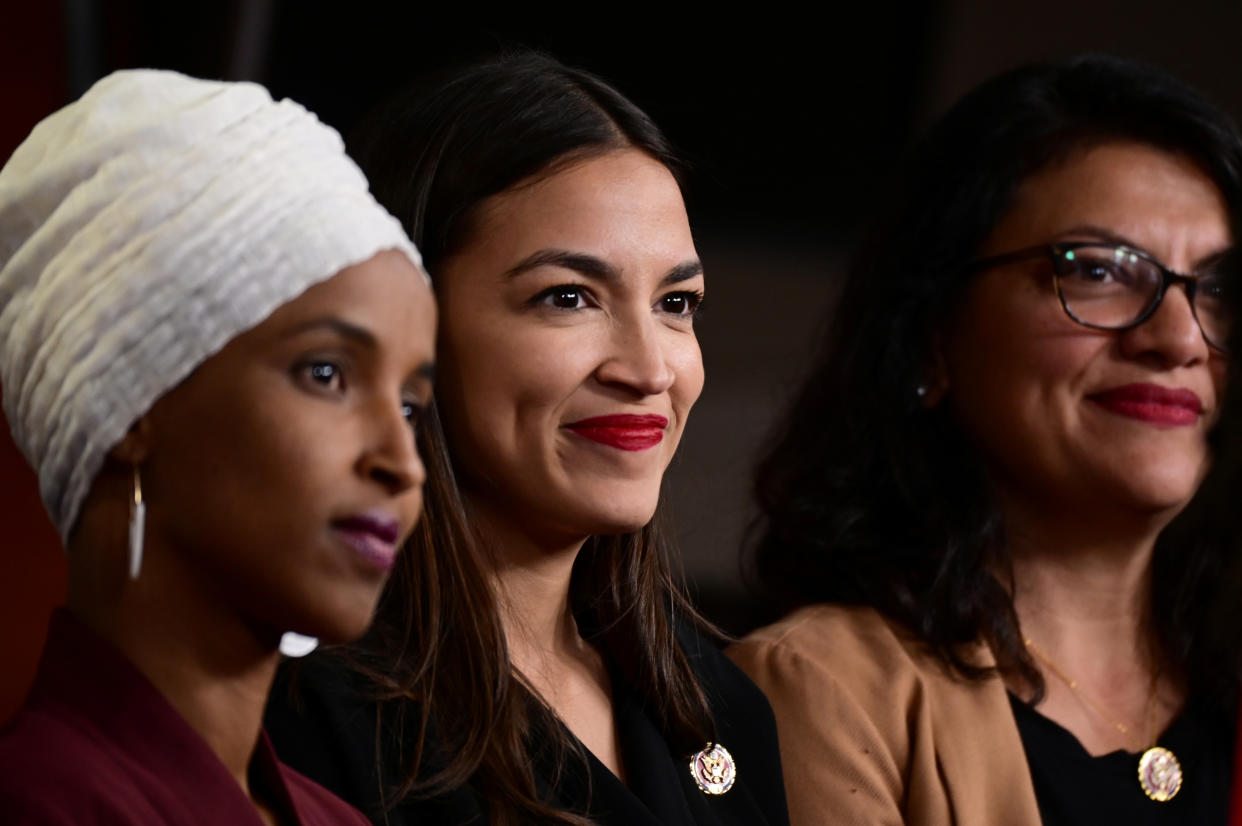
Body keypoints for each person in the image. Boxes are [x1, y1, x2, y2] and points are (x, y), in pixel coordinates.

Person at [265, 51, 790, 826]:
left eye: (677, 302)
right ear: (404, 323)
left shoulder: (720, 703)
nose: (650, 368)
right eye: (569, 297)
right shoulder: (308, 709)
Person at [728, 53, 1242, 826]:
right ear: (932, 336)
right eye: (1097, 271)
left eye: (1219, 290)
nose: (1179, 339)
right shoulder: (819, 690)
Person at [0, 69, 436, 824]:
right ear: (131, 402)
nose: (402, 463)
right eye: (326, 373)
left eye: (409, 404)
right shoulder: (39, 802)